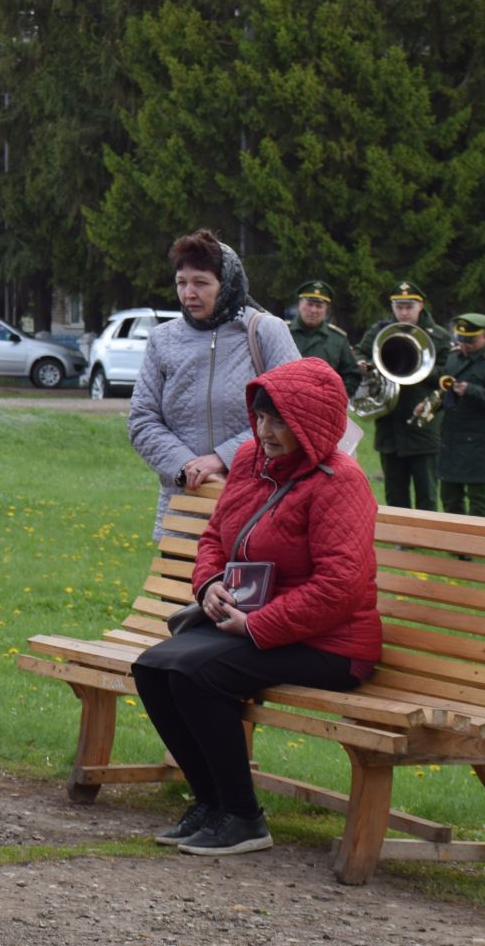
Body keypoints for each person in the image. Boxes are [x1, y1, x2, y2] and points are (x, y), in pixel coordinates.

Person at [131, 358, 380, 857]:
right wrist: (207, 587)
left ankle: (243, 818)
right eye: (260, 417)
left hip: (330, 642)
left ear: (310, 424)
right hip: (252, 623)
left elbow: (340, 587)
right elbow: (213, 538)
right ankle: (212, 802)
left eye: (278, 421)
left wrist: (257, 624)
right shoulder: (248, 459)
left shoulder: (340, 482)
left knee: (198, 674)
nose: (264, 430)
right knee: (154, 667)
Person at [128, 231, 299, 536]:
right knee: (179, 586)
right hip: (185, 510)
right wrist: (188, 469)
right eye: (182, 282)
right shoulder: (162, 339)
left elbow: (295, 411)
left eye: (201, 283)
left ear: (227, 284)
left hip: (257, 510)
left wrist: (224, 458)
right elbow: (142, 421)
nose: (188, 294)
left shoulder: (265, 331)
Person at [353, 282, 451, 511]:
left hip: (422, 424)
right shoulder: (380, 330)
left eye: (409, 307)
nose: (404, 312)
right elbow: (360, 351)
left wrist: (420, 371)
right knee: (395, 490)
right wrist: (363, 364)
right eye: (399, 307)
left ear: (420, 306)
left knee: (426, 489)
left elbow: (447, 373)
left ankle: (427, 537)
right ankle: (401, 541)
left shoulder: (438, 336)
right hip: (390, 424)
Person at [438, 313, 485, 517]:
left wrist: (472, 391)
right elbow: (445, 390)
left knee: (478, 500)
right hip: (452, 438)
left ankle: (479, 546)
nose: (465, 345)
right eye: (461, 340)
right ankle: (455, 546)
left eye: (470, 340)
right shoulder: (453, 358)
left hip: (479, 441)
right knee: (449, 496)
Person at [288, 280, 359, 398]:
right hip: (285, 405)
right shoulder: (284, 332)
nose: (313, 310)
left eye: (319, 306)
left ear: (326, 309)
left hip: (322, 409)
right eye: (309, 304)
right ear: (300, 304)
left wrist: (337, 399)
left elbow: (352, 375)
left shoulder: (338, 339)